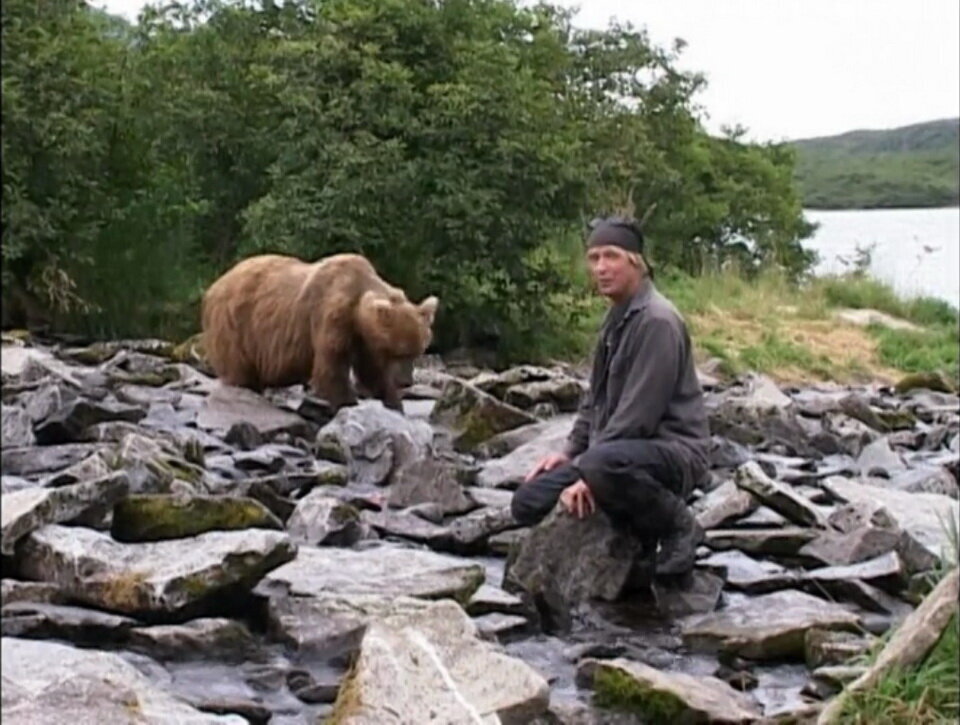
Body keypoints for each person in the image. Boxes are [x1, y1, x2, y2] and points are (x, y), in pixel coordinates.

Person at [510, 215, 710, 576]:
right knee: (527, 500)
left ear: (635, 261)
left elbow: (639, 416)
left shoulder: (658, 322)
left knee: (602, 467)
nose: (601, 268)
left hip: (672, 454)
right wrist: (569, 452)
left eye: (611, 256)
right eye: (594, 258)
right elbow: (594, 400)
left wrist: (588, 473)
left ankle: (678, 526)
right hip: (614, 454)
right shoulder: (616, 318)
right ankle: (626, 515)